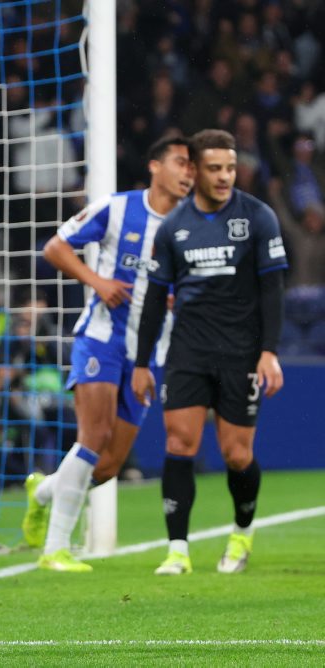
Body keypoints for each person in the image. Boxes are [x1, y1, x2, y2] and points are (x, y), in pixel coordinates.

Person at [21, 136, 194, 572]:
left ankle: (42, 492)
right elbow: (55, 246)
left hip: (148, 351)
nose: (188, 172)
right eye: (180, 162)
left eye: (193, 166)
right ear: (155, 165)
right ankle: (56, 549)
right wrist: (96, 282)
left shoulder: (193, 224)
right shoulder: (117, 208)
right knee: (92, 437)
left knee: (109, 464)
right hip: (101, 336)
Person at [132, 129, 287, 576]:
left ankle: (242, 531)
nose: (225, 177)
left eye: (231, 168)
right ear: (194, 169)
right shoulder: (173, 226)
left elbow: (272, 291)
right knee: (180, 442)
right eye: (215, 168)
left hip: (241, 352)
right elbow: (153, 299)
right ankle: (177, 550)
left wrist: (269, 352)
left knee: (237, 455)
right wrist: (142, 364)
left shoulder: (258, 217)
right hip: (189, 351)